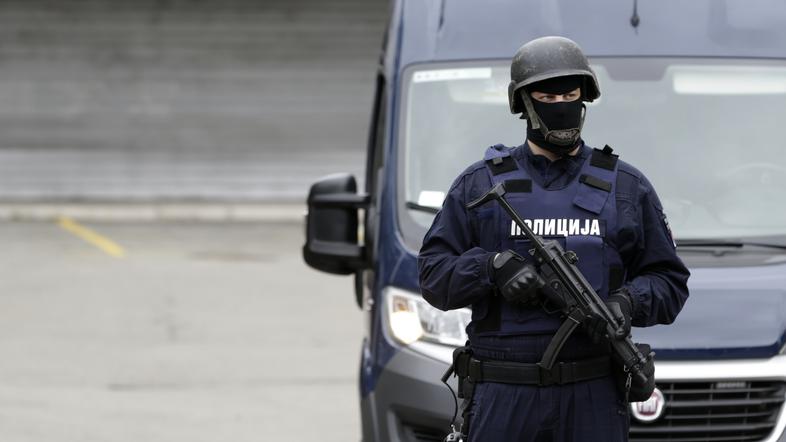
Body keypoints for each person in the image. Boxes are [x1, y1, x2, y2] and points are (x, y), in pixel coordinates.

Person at [417, 36, 690, 442]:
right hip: (504, 392)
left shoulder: (625, 187)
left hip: (593, 392)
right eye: (547, 94)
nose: (561, 103)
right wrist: (492, 268)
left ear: (585, 98)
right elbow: (433, 275)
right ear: (525, 104)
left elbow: (669, 281)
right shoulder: (482, 185)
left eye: (570, 93)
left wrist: (628, 302)